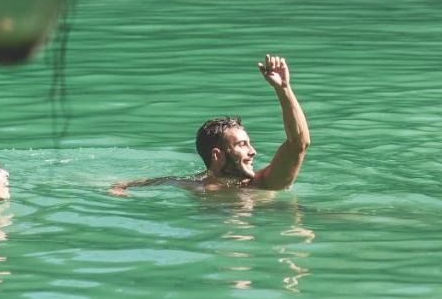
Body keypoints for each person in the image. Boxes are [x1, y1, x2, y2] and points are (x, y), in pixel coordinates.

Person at [111, 54, 310, 194]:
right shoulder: (194, 186)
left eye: (249, 143)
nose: (253, 151)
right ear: (217, 155)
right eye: (242, 145)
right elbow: (136, 184)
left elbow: (298, 144)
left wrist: (284, 89)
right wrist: (119, 188)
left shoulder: (263, 184)